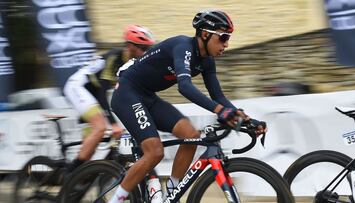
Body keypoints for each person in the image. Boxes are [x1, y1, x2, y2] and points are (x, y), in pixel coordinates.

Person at [109, 9, 267, 202]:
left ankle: (172, 193)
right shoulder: (183, 47)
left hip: (147, 97)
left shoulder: (207, 61)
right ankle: (116, 199)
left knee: (191, 135)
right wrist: (220, 111)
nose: (226, 44)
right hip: (127, 94)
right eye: (223, 37)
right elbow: (184, 86)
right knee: (155, 151)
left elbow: (217, 95)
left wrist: (247, 119)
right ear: (206, 34)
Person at [62, 25, 156, 174]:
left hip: (91, 94)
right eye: (143, 48)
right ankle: (68, 174)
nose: (145, 53)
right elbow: (102, 93)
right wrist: (113, 124)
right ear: (130, 46)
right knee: (100, 128)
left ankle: (76, 179)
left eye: (147, 49)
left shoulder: (132, 65)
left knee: (90, 149)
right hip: (78, 87)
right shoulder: (114, 57)